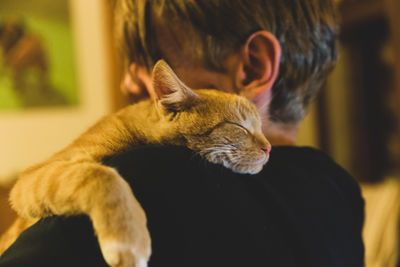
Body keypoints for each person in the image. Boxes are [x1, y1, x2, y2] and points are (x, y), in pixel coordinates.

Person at [0, 0, 365, 266]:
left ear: (253, 66)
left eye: (150, 54)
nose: (127, 80)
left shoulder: (143, 177)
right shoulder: (342, 192)